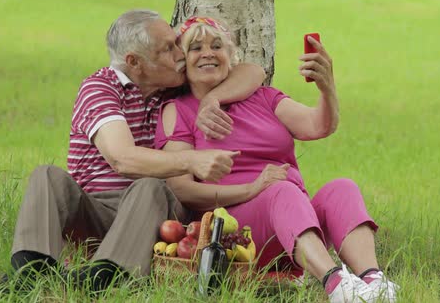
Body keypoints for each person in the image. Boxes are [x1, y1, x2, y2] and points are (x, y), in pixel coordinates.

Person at [0, 10, 265, 293]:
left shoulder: (171, 85)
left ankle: (104, 278)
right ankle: (28, 272)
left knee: (150, 187)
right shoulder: (100, 88)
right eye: (168, 49)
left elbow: (253, 71)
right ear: (135, 62)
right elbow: (122, 158)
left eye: (176, 44)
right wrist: (192, 161)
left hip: (151, 215)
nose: (180, 55)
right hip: (96, 209)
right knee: (46, 176)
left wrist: (212, 98)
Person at [155, 16, 399, 303]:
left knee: (342, 188)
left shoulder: (263, 97)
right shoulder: (179, 110)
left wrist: (327, 88)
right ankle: (337, 285)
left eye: (216, 46)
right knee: (281, 190)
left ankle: (374, 284)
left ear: (229, 57)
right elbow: (182, 189)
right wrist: (254, 188)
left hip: (293, 218)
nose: (208, 53)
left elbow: (318, 125)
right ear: (183, 61)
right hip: (236, 230)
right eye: (196, 48)